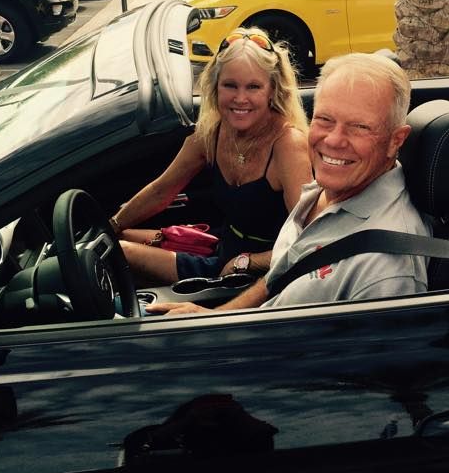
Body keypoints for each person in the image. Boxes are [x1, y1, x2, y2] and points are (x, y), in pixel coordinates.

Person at [147, 52, 430, 315]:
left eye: (360, 127)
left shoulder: (386, 268)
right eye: (325, 119)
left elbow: (367, 365)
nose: (333, 140)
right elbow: (280, 275)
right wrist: (214, 319)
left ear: (396, 140)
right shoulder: (324, 191)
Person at [110, 27, 312, 285]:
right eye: (230, 85)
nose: (240, 98)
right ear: (215, 87)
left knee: (121, 253)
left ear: (272, 90)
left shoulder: (288, 145)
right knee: (117, 238)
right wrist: (112, 224)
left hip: (259, 275)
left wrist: (247, 262)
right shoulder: (212, 133)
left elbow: (307, 241)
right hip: (222, 250)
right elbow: (162, 190)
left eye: (253, 87)